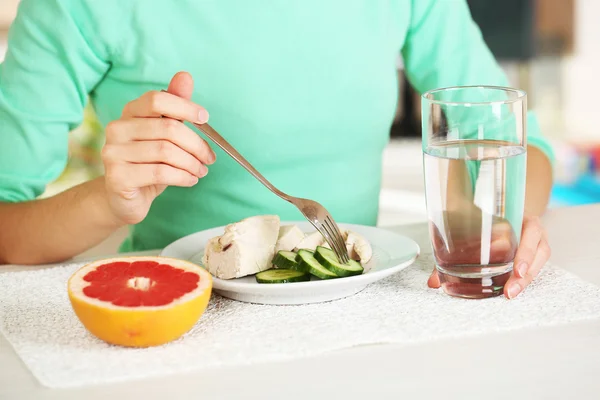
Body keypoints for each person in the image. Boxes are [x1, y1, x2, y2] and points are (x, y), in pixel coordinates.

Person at [0, 0, 552, 299]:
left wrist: (501, 221)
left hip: (356, 310)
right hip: (176, 324)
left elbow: (514, 137)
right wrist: (108, 202)